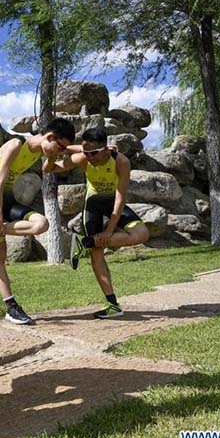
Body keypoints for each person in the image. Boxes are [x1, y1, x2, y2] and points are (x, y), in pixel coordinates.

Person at [0, 118, 76, 325]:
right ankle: (11, 307)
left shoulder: (39, 149)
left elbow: (64, 154)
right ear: (50, 137)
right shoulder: (16, 144)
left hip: (9, 198)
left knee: (42, 224)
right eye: (59, 148)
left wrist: (99, 148)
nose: (59, 153)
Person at [53, 127, 150, 319]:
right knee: (97, 254)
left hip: (114, 202)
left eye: (94, 152)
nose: (90, 157)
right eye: (86, 152)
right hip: (94, 204)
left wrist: (109, 231)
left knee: (142, 234)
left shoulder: (120, 161)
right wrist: (66, 150)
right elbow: (59, 160)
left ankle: (84, 242)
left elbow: (120, 198)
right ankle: (112, 305)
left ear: (106, 149)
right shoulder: (84, 157)